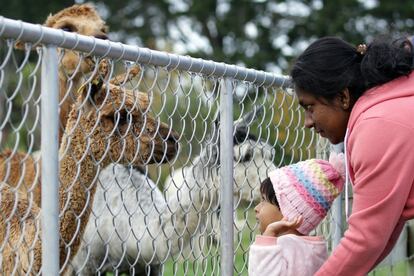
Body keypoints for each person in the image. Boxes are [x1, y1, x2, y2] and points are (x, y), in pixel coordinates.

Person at [290, 36, 414, 275]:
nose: (307, 122)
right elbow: (382, 234)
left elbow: (366, 239)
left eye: (310, 107)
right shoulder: (388, 108)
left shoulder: (377, 126)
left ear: (343, 97)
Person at [248, 154, 345, 276]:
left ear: (289, 213)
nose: (256, 208)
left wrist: (268, 237)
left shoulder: (286, 247)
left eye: (264, 201)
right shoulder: (313, 249)